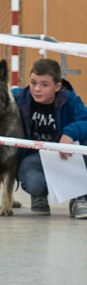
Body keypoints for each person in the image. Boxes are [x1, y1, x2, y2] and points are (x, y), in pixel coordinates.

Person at [12, 58, 87, 218]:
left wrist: (70, 133)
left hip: (67, 156)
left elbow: (85, 120)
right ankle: (38, 196)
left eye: (44, 85)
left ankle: (81, 197)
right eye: (33, 82)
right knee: (31, 180)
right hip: (35, 158)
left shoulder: (70, 100)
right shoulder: (20, 98)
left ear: (57, 86)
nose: (37, 89)